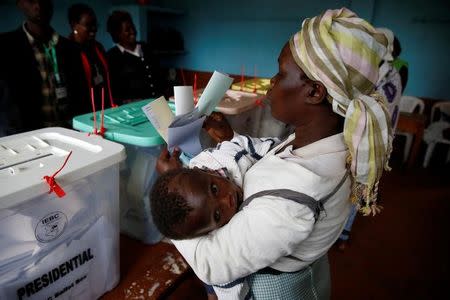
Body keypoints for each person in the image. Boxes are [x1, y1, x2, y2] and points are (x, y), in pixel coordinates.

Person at [156, 8, 393, 299]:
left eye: (280, 73)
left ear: (314, 92)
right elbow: (271, 156)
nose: (272, 81)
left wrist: (173, 185)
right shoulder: (321, 142)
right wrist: (232, 138)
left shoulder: (299, 192)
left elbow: (212, 264)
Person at [0, 0, 87, 133]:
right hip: (25, 140)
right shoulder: (5, 47)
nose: (38, 5)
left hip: (70, 135)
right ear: (20, 3)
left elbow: (81, 98)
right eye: (31, 0)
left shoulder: (70, 48)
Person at [106, 10, 165, 103]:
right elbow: (115, 91)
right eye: (127, 29)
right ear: (118, 34)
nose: (132, 31)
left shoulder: (147, 48)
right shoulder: (113, 57)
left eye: (132, 27)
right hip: (134, 110)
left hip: (158, 103)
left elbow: (159, 76)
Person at [68, 3, 116, 109]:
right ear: (74, 25)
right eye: (88, 24)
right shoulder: (67, 50)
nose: (94, 29)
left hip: (105, 110)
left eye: (95, 24)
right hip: (83, 113)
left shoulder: (98, 47)